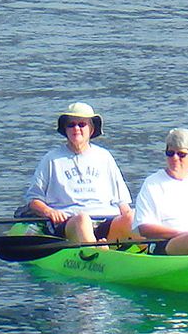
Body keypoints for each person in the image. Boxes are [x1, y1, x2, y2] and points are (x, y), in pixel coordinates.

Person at [21, 101, 132, 245]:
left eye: (82, 124)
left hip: (106, 219)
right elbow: (34, 200)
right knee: (83, 219)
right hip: (69, 221)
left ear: (91, 129)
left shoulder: (105, 157)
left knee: (133, 217)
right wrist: (49, 212)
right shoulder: (51, 159)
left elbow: (122, 201)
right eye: (71, 124)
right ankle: (96, 252)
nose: (76, 129)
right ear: (65, 129)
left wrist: (130, 219)